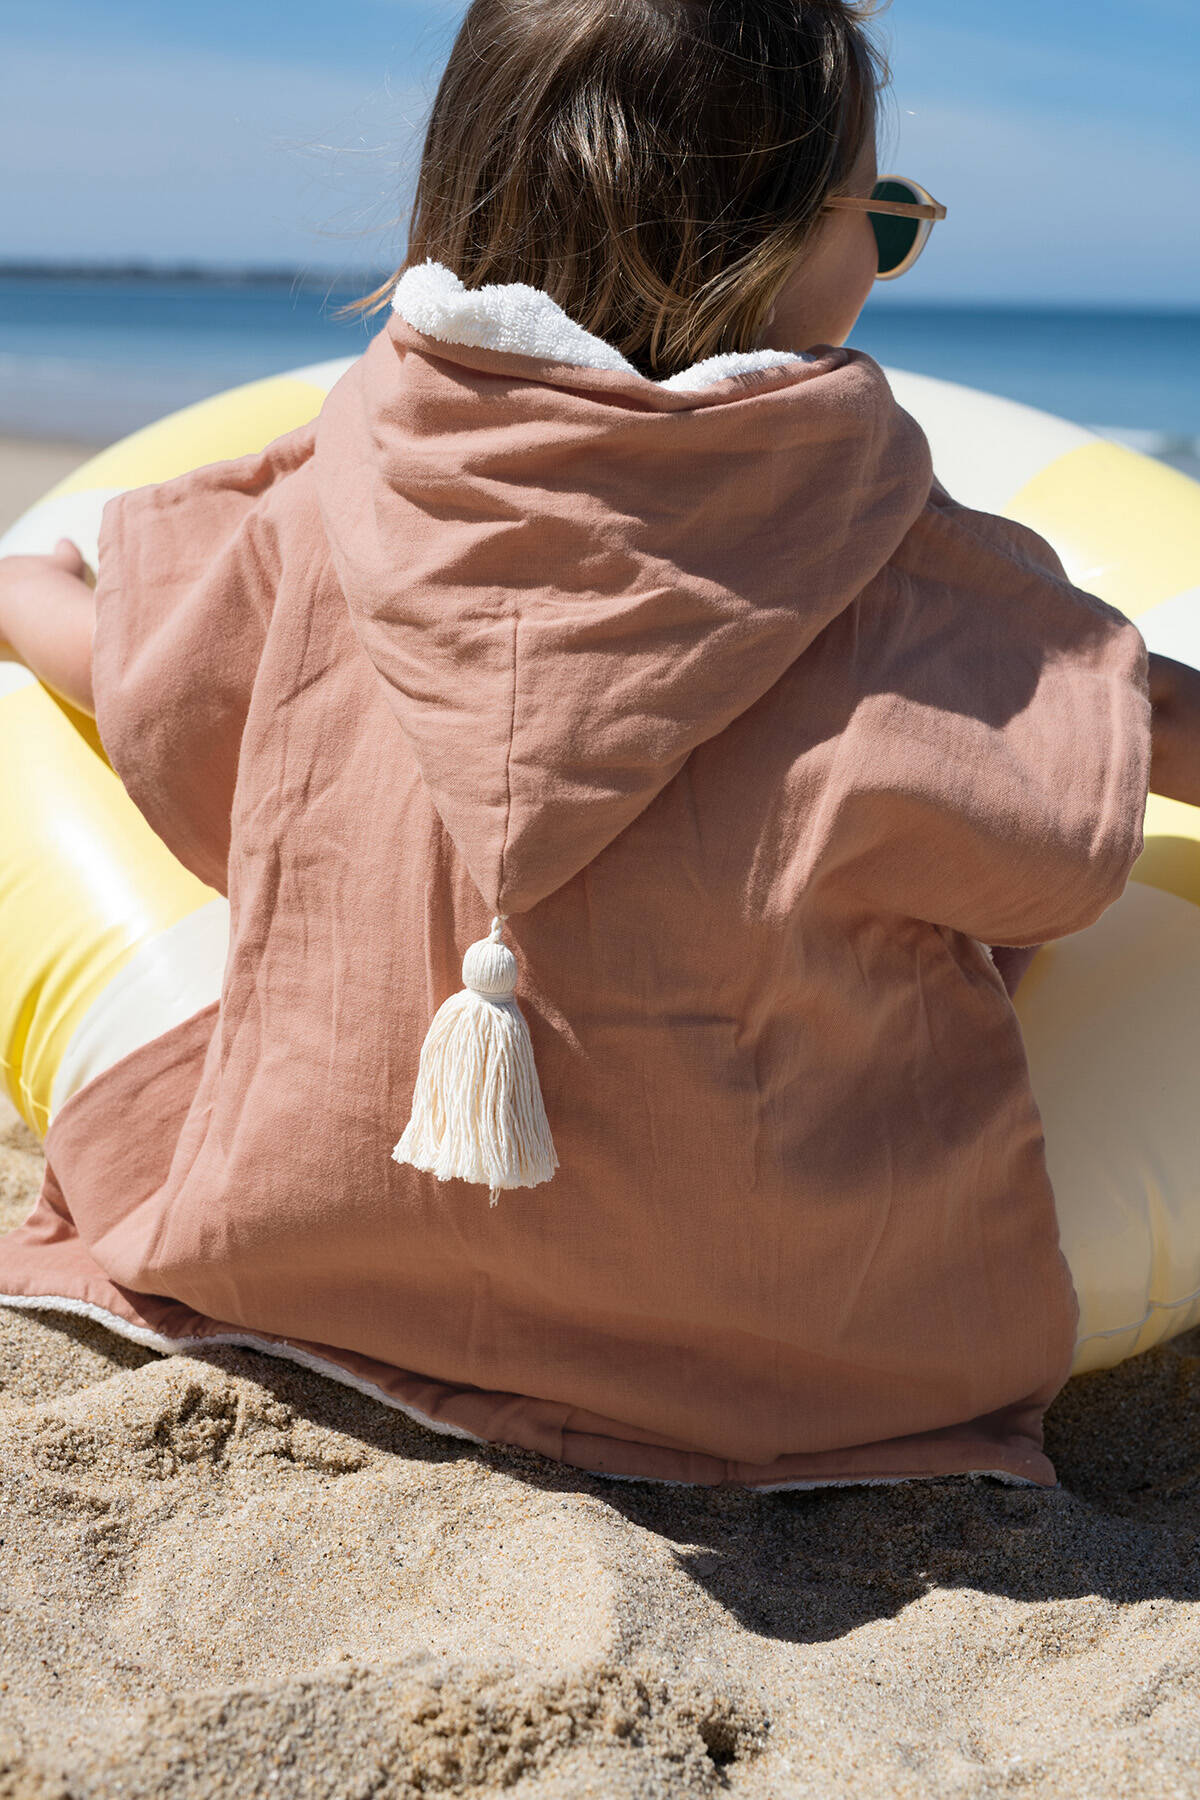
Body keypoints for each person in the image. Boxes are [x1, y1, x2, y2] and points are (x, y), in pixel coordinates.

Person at [2, 0, 1199, 1490]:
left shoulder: (322, 517)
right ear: (772, 250)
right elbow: (1137, 738)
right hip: (799, 1346)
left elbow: (135, 672)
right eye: (884, 219)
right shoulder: (917, 592)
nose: (888, 258)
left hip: (309, 1256)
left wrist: (29, 589)